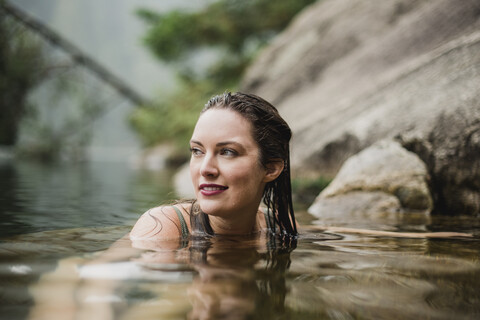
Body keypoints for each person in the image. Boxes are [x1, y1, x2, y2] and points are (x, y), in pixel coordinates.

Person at [130, 92, 472, 241]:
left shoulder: (274, 228)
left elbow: (335, 234)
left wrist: (450, 238)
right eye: (196, 150)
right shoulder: (165, 228)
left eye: (228, 152)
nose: (205, 168)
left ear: (272, 168)